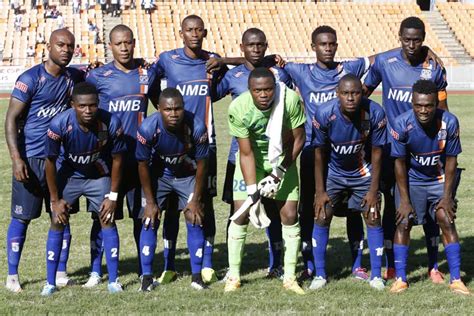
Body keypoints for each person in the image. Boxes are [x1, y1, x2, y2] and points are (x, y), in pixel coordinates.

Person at [364, 16, 448, 282]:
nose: (412, 44)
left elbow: (443, 110)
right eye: (407, 39)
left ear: (424, 39)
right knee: (393, 206)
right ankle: (392, 263)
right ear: (399, 36)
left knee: (433, 207)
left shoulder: (433, 67)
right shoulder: (385, 62)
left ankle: (434, 264)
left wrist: (444, 147)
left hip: (426, 148)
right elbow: (362, 93)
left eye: (417, 40)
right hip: (392, 147)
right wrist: (367, 129)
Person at [5, 29, 84, 293]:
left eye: (70, 46)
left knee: (61, 216)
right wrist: (17, 159)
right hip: (31, 160)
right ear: (48, 46)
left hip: (61, 162)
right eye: (60, 45)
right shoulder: (30, 78)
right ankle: (13, 275)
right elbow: (10, 119)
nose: (66, 50)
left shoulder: (74, 77)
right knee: (21, 218)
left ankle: (60, 273)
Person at [151, 14, 226, 285]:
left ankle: (207, 263)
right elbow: (148, 85)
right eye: (189, 30)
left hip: (205, 141)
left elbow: (230, 80)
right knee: (171, 205)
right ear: (181, 33)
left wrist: (228, 62)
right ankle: (169, 264)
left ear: (204, 33)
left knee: (203, 202)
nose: (194, 34)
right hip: (172, 143)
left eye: (198, 30)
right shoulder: (167, 60)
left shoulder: (213, 61)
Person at [213, 28, 292, 279]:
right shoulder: (233, 76)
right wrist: (222, 64)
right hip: (240, 157)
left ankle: (276, 263)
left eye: (260, 45)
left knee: (275, 212)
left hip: (272, 156)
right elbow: (212, 95)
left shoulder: (279, 74)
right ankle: (231, 267)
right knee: (237, 212)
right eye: (251, 45)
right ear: (242, 47)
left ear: (266, 46)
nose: (256, 49)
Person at [85, 24, 160, 287]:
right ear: (110, 46)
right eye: (119, 44)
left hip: (140, 159)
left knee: (143, 216)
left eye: (128, 42)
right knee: (103, 216)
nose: (124, 48)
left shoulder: (145, 74)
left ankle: (145, 270)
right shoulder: (97, 76)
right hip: (107, 161)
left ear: (134, 42)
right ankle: (96, 270)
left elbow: (163, 103)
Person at [226, 67, 305, 294]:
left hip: (282, 160)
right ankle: (234, 276)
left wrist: (278, 172)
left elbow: (299, 138)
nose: (263, 95)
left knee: (289, 215)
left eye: (268, 89)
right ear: (249, 90)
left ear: (275, 88)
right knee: (240, 214)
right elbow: (247, 153)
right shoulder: (238, 107)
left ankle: (289, 278)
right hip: (253, 161)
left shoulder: (289, 99)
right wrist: (253, 191)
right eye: (257, 90)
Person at [41, 82, 125, 296]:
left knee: (107, 219)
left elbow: (117, 160)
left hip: (98, 176)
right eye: (82, 106)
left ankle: (113, 281)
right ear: (72, 105)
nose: (88, 111)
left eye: (92, 105)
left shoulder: (111, 122)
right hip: (69, 176)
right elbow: (49, 162)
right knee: (57, 221)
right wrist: (54, 200)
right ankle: (50, 283)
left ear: (98, 104)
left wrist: (113, 196)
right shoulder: (59, 124)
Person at [389, 80, 469, 295]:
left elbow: (452, 160)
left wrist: (447, 196)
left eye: (429, 106)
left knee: (445, 218)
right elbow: (399, 163)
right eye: (418, 105)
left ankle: (455, 279)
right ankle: (401, 279)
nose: (423, 110)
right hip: (412, 180)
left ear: (436, 104)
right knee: (403, 222)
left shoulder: (449, 122)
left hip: (439, 179)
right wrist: (404, 201)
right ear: (412, 103)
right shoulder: (400, 124)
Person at [311, 74, 386, 290]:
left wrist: (374, 190)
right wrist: (320, 190)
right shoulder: (325, 114)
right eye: (345, 93)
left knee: (373, 216)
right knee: (322, 214)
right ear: (338, 94)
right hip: (334, 174)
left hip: (362, 173)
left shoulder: (374, 112)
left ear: (362, 93)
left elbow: (378, 153)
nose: (351, 98)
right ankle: (320, 275)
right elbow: (319, 153)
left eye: (355, 93)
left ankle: (377, 275)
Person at [137, 88, 209, 291]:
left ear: (183, 108)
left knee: (194, 216)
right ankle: (147, 278)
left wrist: (195, 200)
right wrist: (150, 203)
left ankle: (197, 277)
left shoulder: (196, 126)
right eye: (168, 109)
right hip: (160, 177)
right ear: (159, 109)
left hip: (187, 175)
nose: (174, 113)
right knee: (149, 219)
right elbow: (142, 165)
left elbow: (203, 163)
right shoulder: (148, 128)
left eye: (178, 108)